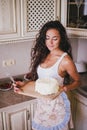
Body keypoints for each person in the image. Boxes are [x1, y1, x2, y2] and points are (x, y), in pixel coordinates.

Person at [14, 20, 81, 130]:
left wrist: (65, 88)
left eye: (55, 39)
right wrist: (24, 84)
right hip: (42, 104)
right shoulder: (44, 54)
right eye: (47, 38)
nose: (50, 42)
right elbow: (42, 81)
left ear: (61, 39)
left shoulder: (65, 60)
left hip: (57, 106)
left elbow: (78, 81)